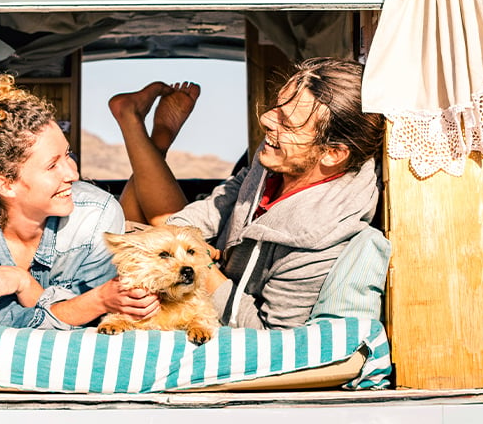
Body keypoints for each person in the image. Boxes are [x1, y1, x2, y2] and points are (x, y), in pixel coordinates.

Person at [108, 57, 384, 330]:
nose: (265, 119)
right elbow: (233, 193)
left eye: (287, 123)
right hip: (216, 264)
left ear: (333, 153)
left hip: (218, 306)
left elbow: (268, 332)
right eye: (276, 107)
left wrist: (199, 265)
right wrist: (183, 234)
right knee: (156, 235)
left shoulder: (320, 242)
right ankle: (147, 131)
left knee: (142, 238)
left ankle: (138, 125)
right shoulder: (280, 157)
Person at [0, 69, 158, 329]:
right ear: (6, 184)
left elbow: (96, 323)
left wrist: (25, 285)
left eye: (68, 154)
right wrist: (96, 301)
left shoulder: (98, 214)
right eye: (52, 165)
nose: (73, 173)